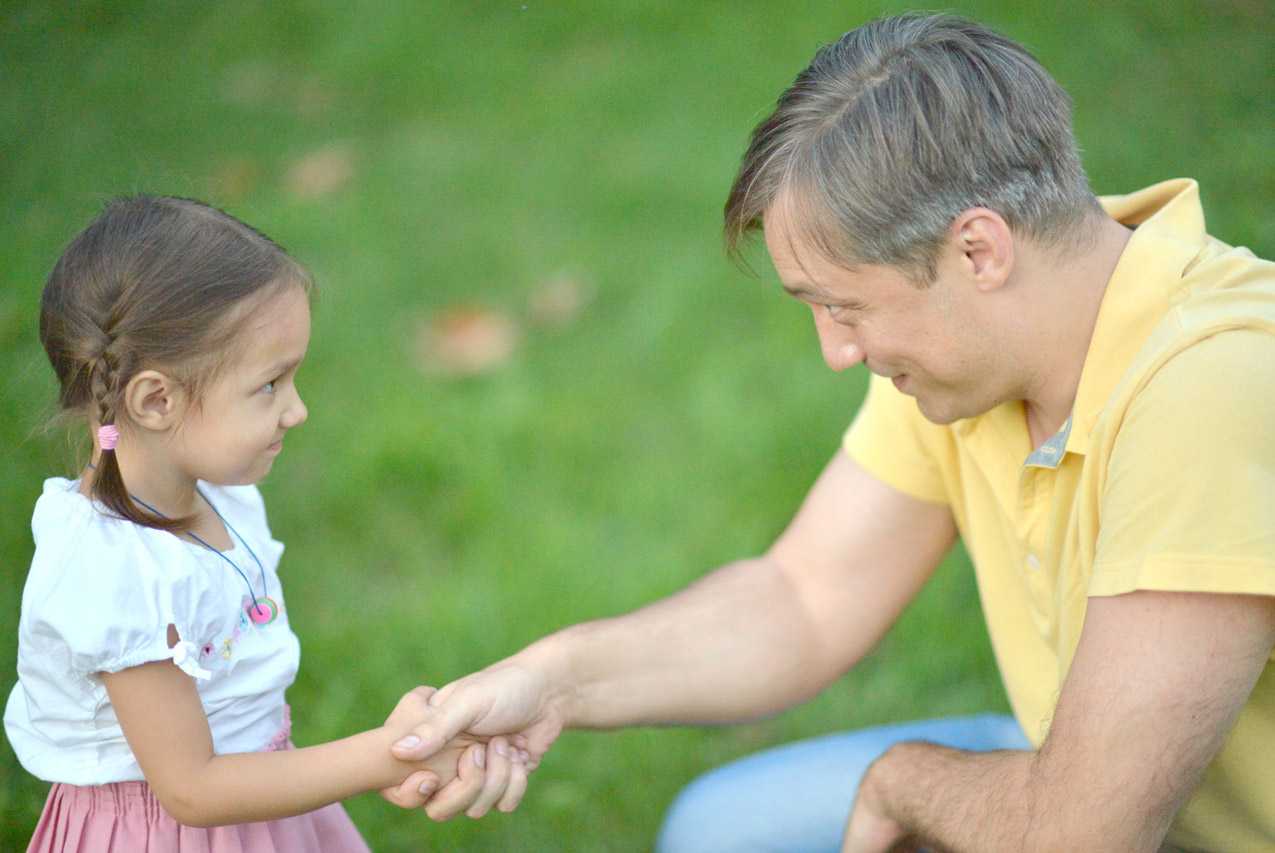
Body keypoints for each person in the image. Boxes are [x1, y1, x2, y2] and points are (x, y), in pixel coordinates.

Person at [383, 13, 1275, 852]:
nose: (837, 352)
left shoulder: (1210, 386)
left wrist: (902, 784)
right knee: (721, 829)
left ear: (978, 250)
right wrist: (554, 679)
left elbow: (1079, 833)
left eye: (842, 306)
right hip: (1083, 778)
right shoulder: (975, 357)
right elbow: (804, 599)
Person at [3, 195, 520, 851]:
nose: (297, 410)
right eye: (271, 384)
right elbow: (192, 788)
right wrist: (390, 753)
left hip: (263, 809)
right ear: (157, 399)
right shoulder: (119, 575)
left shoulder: (218, 494)